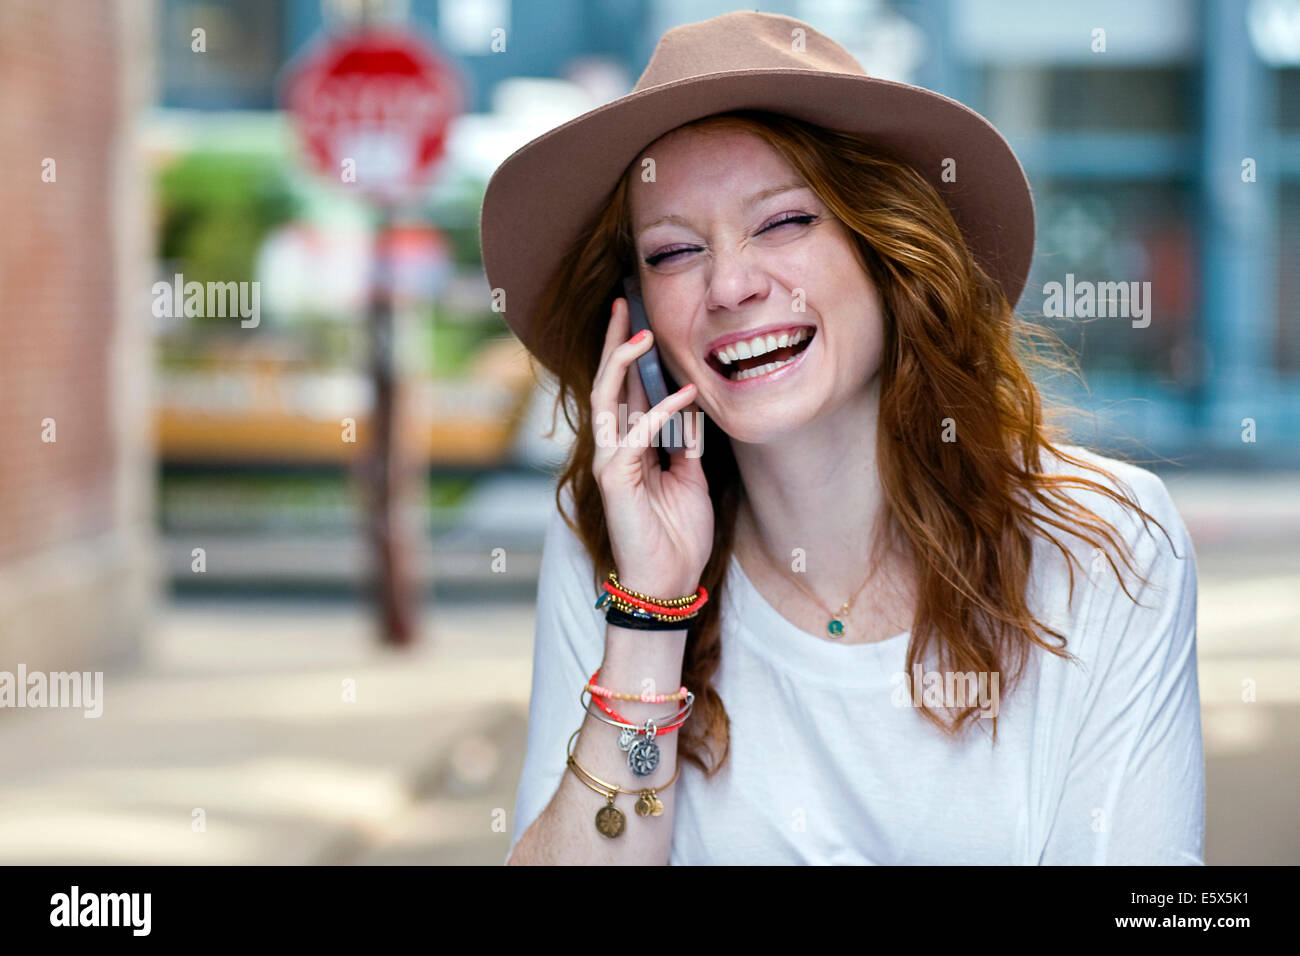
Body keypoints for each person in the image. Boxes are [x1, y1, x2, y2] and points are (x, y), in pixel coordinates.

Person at [479, 10, 1203, 865]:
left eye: (783, 222)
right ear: (635, 320)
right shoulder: (607, 551)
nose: (731, 285)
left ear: (890, 252)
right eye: (674, 252)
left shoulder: (1106, 542)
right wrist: (649, 614)